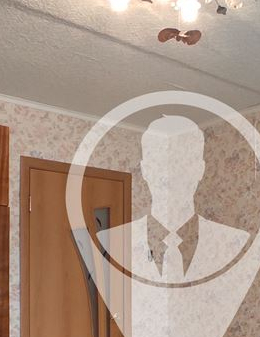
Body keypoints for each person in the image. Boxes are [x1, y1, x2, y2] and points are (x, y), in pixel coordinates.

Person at [98, 115, 249, 284]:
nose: (169, 176)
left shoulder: (231, 241)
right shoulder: (116, 240)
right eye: (159, 163)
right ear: (145, 170)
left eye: (183, 163)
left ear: (200, 169)